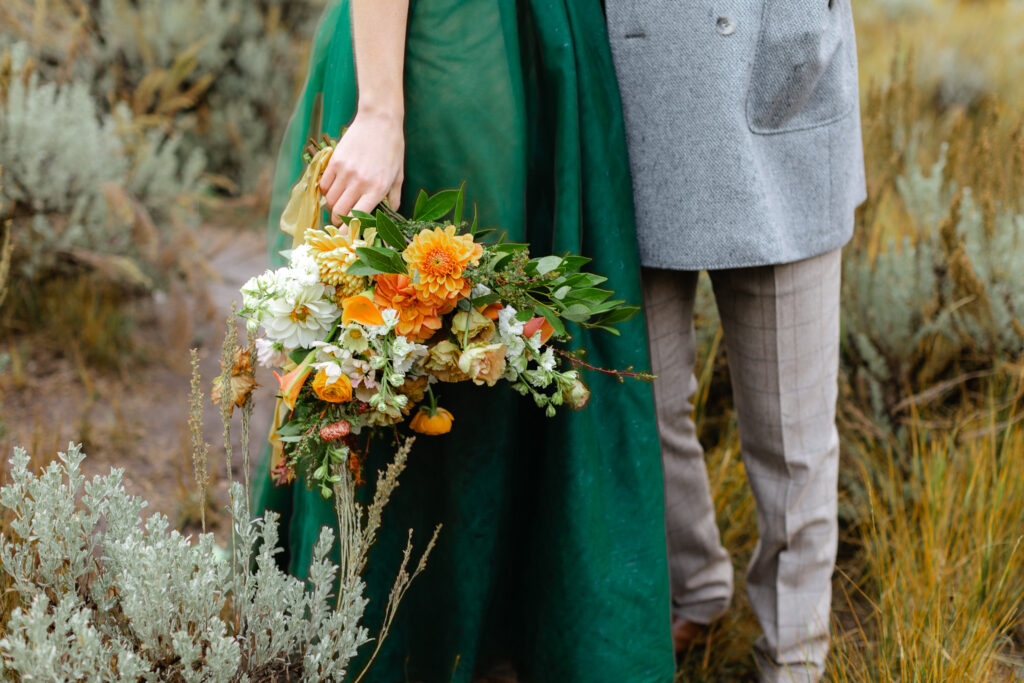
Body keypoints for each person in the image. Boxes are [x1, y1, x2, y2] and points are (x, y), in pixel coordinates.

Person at [254, 1, 676, 681]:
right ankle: (403, 646)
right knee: (426, 332)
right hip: (447, 51)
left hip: (550, 49)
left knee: (509, 341)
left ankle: (500, 639)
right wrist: (384, 112)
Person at [604, 2, 866, 681]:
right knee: (643, 409)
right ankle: (695, 585)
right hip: (630, 108)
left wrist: (799, 39)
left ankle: (792, 658)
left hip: (783, 111)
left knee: (791, 439)